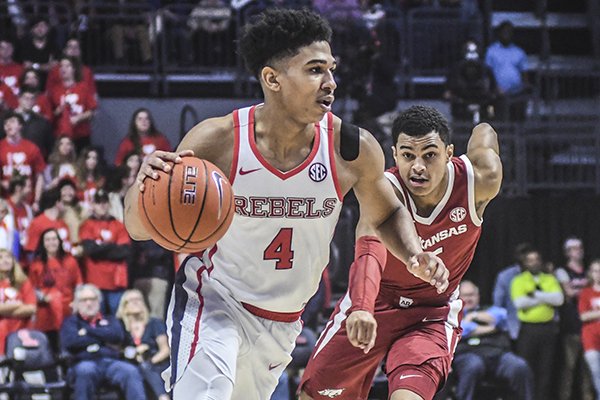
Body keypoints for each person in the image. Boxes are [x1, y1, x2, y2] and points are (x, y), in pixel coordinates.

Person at [124, 8, 447, 400]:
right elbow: (140, 228)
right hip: (214, 301)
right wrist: (144, 186)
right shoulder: (219, 141)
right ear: (272, 78)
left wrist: (414, 253)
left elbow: (387, 213)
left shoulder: (351, 149)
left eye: (331, 70)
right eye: (315, 70)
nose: (330, 83)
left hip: (283, 322)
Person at [300, 105, 503, 400]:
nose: (418, 166)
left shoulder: (479, 181)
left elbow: (485, 133)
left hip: (432, 310)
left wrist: (483, 122)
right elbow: (368, 249)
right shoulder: (385, 190)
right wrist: (362, 307)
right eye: (408, 155)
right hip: (378, 300)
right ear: (395, 154)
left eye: (429, 155)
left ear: (448, 153)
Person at [60, 283, 146, 399]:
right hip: (84, 361)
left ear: (99, 301)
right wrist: (103, 336)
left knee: (130, 371)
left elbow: (117, 336)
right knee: (85, 371)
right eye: (84, 300)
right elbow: (71, 342)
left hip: (111, 362)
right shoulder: (71, 322)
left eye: (92, 299)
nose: (89, 303)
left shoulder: (110, 319)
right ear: (77, 303)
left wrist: (87, 330)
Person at [451, 280, 533, 400]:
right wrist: (491, 328)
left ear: (478, 296)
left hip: (498, 354)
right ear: (458, 297)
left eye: (471, 295)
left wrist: (473, 317)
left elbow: (502, 318)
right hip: (467, 355)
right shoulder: (453, 315)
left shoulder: (490, 309)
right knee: (473, 366)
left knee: (519, 366)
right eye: (465, 295)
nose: (468, 299)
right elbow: (462, 330)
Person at [511, 246, 564, 400]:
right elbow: (520, 303)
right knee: (526, 367)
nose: (534, 263)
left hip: (548, 329)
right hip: (528, 330)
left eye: (536, 260)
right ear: (525, 263)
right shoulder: (518, 280)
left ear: (541, 261)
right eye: (530, 260)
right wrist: (546, 298)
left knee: (546, 370)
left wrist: (534, 294)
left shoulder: (549, 279)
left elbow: (559, 299)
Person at [28, 228, 82, 351]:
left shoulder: (70, 261)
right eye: (47, 240)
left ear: (59, 241)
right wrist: (43, 297)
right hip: (46, 310)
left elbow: (78, 284)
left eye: (54, 239)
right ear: (43, 243)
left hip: (68, 307)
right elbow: (32, 288)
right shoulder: (36, 264)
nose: (51, 243)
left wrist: (77, 302)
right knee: (50, 344)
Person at [555, 237, 594, 400]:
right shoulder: (562, 271)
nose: (578, 251)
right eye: (573, 248)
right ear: (567, 252)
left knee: (589, 369)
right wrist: (588, 286)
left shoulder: (589, 270)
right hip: (571, 326)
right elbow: (569, 293)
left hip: (589, 326)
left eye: (580, 247)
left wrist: (579, 286)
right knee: (569, 368)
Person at [116, 289, 170, 400]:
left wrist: (150, 361)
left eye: (138, 299)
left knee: (146, 367)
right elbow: (117, 349)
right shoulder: (120, 326)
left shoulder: (154, 322)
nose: (136, 302)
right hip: (132, 364)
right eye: (131, 300)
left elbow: (165, 350)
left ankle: (163, 397)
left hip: (156, 361)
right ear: (124, 306)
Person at [0, 248, 36, 355]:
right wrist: (17, 304)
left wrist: (4, 310)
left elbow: (31, 308)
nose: (5, 260)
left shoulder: (23, 282)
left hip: (21, 332)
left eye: (8, 257)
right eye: (1, 258)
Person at [579, 259, 600, 400]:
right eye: (595, 271)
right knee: (597, 375)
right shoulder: (586, 292)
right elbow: (584, 316)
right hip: (591, 339)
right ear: (591, 274)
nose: (598, 274)